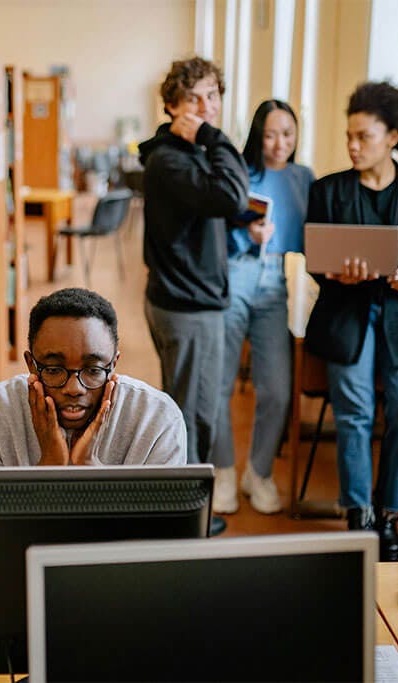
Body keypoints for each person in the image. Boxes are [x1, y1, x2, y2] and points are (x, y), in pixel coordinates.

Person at [305, 82, 398, 561]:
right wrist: (334, 273)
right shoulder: (328, 190)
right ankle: (360, 517)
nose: (353, 146)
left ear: (393, 136)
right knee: (353, 415)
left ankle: (389, 513)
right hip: (347, 314)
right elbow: (316, 257)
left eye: (364, 136)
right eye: (348, 136)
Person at [139, 56, 249, 533]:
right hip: (188, 305)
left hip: (185, 297)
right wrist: (212, 136)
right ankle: (187, 519)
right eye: (195, 99)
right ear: (171, 107)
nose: (207, 107)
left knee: (189, 408)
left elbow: (221, 204)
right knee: (194, 414)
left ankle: (183, 511)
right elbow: (230, 196)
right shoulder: (169, 159)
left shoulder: (178, 156)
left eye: (213, 96)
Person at [212, 100, 315, 515]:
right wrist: (245, 232)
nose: (279, 143)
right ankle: (222, 470)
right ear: (257, 135)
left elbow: (312, 233)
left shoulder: (303, 178)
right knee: (219, 383)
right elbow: (214, 227)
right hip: (234, 272)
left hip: (277, 280)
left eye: (287, 134)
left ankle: (259, 471)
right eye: (271, 134)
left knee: (276, 388)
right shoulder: (238, 170)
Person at [0, 288, 186, 467]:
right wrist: (49, 466)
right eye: (54, 370)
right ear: (31, 365)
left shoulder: (158, 418)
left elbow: (159, 527)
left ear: (113, 365)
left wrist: (89, 466)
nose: (74, 388)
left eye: (94, 370)